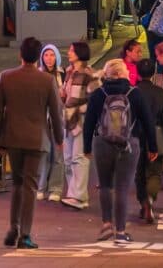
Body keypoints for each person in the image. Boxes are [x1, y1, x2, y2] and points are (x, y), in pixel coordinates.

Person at [0, 37, 65, 249]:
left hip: (13, 138)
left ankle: (13, 227)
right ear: (38, 56)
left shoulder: (6, 77)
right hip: (37, 139)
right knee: (30, 186)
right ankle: (25, 234)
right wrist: (59, 139)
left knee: (16, 183)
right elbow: (55, 113)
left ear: (20, 55)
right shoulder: (47, 81)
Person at [83, 59, 158, 245]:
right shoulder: (135, 93)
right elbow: (148, 122)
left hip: (102, 143)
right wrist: (153, 147)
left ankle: (107, 224)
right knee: (122, 188)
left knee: (106, 185)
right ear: (121, 74)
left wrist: (86, 147)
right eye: (125, 71)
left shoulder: (98, 93)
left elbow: (89, 123)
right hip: (129, 144)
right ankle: (121, 231)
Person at [61, 41, 101, 210]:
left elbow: (96, 97)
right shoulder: (69, 72)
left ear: (79, 53)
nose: (69, 53)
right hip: (68, 119)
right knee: (69, 158)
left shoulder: (88, 73)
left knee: (80, 158)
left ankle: (80, 196)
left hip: (81, 119)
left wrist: (81, 109)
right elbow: (66, 94)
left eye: (71, 50)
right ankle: (73, 193)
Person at [133, 58, 163, 224]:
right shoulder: (162, 94)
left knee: (139, 172)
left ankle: (143, 203)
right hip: (157, 135)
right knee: (155, 172)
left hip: (135, 135)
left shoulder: (132, 92)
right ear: (154, 72)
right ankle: (150, 197)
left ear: (138, 73)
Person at [36, 44, 66, 203]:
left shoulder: (63, 73)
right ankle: (40, 187)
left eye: (52, 55)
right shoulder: (38, 74)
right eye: (46, 55)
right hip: (42, 119)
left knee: (59, 154)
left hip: (60, 118)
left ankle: (56, 188)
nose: (49, 58)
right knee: (43, 153)